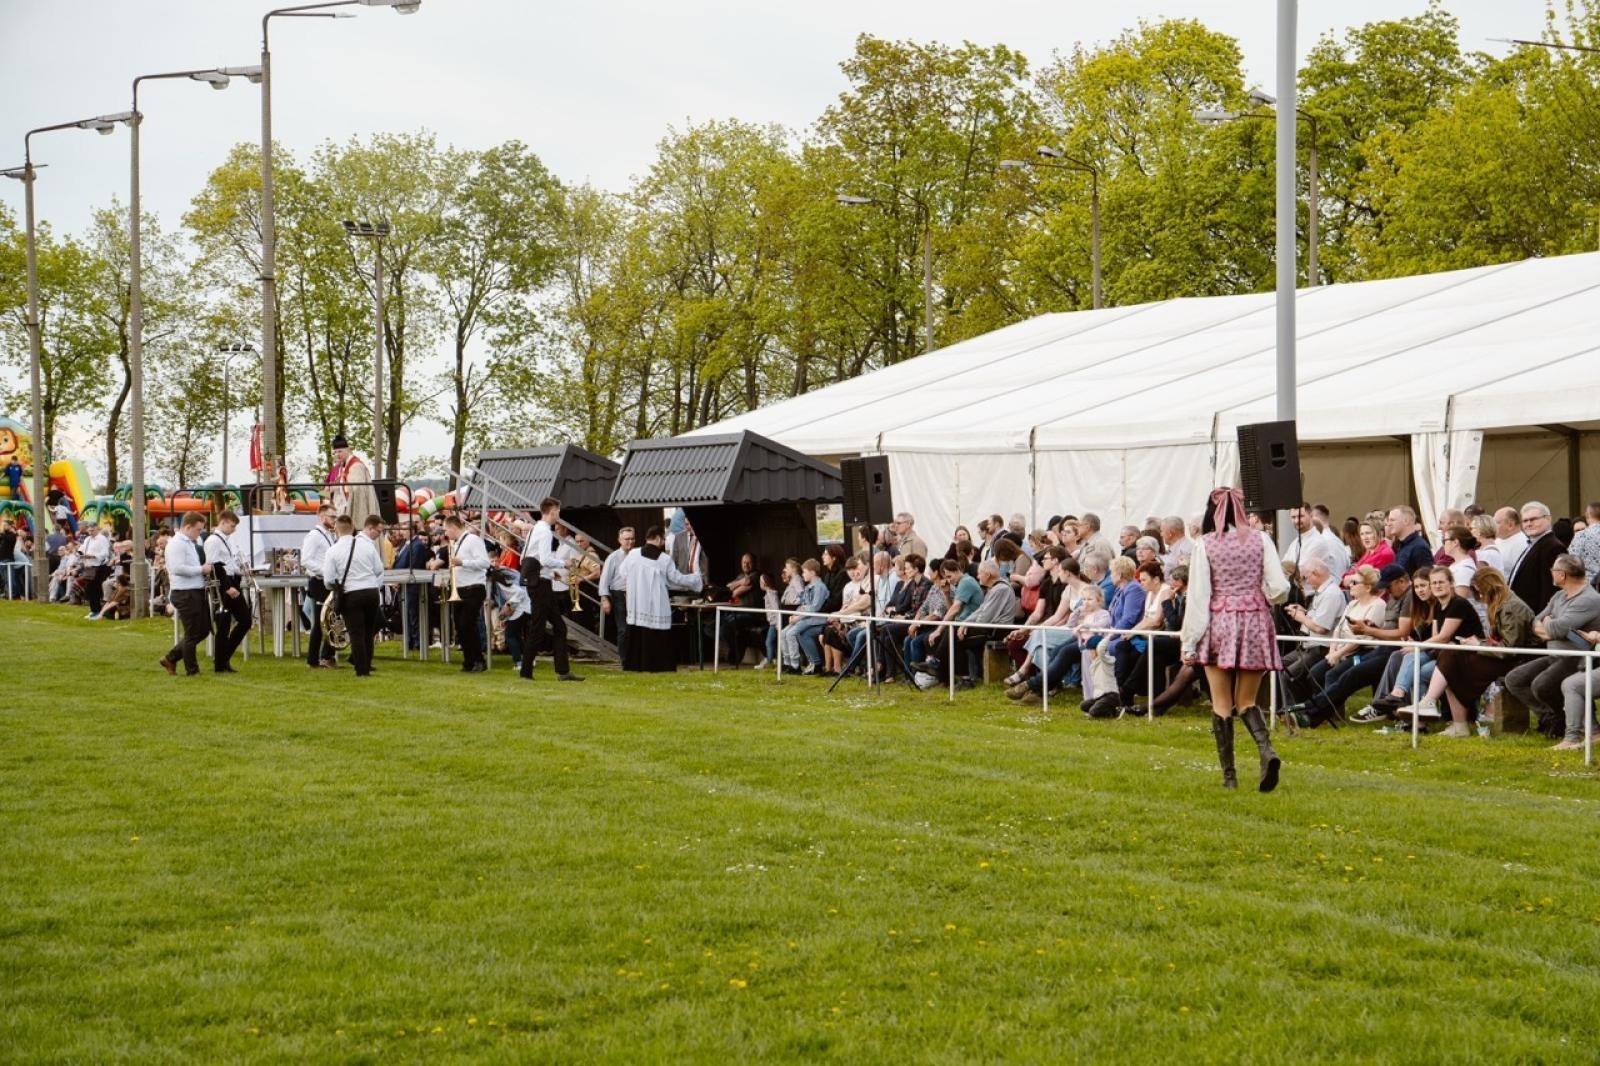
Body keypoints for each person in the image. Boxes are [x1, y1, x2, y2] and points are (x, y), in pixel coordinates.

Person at [1181, 486, 1290, 791]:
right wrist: (1260, 597)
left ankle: (1230, 777)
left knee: (1221, 703)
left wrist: (1189, 642)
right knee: (1247, 701)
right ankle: (1266, 751)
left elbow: (1199, 596)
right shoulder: (1261, 539)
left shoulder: (1205, 544)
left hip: (1219, 622)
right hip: (1255, 620)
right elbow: (1280, 587)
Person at [1416, 567, 1535, 736]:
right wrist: (1478, 643)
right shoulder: (1502, 603)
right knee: (1449, 658)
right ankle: (1449, 718)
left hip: (1516, 660)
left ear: (1489, 587)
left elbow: (1509, 649)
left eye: (1479, 592)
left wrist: (1478, 643)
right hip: (1503, 657)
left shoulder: (1511, 607)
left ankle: (1439, 709)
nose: (1479, 597)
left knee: (1450, 661)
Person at [1503, 554, 1600, 738]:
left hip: (1577, 658)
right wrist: (1550, 628)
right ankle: (1554, 717)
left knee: (1542, 685)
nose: (1551, 573)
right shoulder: (1559, 595)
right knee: (1514, 679)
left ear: (1562, 575)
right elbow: (1535, 622)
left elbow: (1555, 628)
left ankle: (1569, 722)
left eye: (1553, 570)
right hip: (1555, 654)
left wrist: (1550, 625)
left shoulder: (1588, 599)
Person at [622, 524, 705, 672]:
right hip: (655, 604)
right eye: (664, 539)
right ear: (659, 538)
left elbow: (623, 572)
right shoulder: (664, 559)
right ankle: (659, 665)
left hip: (637, 603)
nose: (664, 542)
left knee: (638, 633)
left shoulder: (633, 554)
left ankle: (635, 665)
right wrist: (695, 579)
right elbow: (676, 579)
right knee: (657, 635)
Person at [519, 497, 582, 682]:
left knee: (558, 627)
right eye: (558, 512)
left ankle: (562, 671)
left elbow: (527, 557)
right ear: (552, 511)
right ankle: (527, 671)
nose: (558, 516)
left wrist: (548, 572)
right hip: (541, 586)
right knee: (539, 628)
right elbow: (545, 559)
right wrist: (564, 563)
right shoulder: (545, 532)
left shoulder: (535, 529)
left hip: (539, 582)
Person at [323, 514, 384, 677]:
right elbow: (378, 569)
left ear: (336, 530)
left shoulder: (332, 551)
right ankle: (367, 665)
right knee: (368, 632)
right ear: (353, 528)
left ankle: (361, 669)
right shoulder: (367, 545)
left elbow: (328, 580)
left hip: (351, 593)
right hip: (371, 591)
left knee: (356, 633)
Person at [159, 513, 213, 677]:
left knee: (203, 630)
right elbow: (177, 568)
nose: (200, 533)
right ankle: (192, 670)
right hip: (185, 592)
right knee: (192, 633)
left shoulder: (188, 543)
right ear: (188, 527)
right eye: (198, 529)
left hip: (194, 590)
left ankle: (171, 658)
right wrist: (201, 569)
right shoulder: (176, 544)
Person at [204, 510, 251, 673]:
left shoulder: (227, 540)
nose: (234, 529)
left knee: (244, 621)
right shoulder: (213, 541)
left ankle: (223, 658)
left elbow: (229, 563)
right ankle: (221, 662)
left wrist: (242, 570)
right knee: (224, 625)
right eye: (232, 526)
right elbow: (214, 566)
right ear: (223, 522)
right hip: (223, 584)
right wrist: (226, 587)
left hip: (231, 580)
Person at [445, 514, 490, 673]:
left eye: (446, 530)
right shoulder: (457, 543)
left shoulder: (472, 540)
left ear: (453, 527)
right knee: (460, 626)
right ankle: (468, 661)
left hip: (473, 587)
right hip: (461, 588)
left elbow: (485, 562)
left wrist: (462, 562)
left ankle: (479, 660)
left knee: (467, 624)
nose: (446, 534)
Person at [1506, 501, 1566, 613]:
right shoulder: (1533, 544)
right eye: (1525, 521)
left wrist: (1543, 618)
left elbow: (1551, 589)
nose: (1529, 524)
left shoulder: (1553, 547)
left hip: (1535, 616)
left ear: (1548, 519)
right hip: (1523, 614)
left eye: (1533, 519)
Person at [300, 504, 340, 669]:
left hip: (327, 581)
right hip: (319, 582)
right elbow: (306, 560)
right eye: (332, 517)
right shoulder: (314, 536)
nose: (335, 520)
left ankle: (325, 656)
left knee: (330, 620)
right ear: (322, 517)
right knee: (320, 622)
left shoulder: (329, 535)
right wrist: (326, 571)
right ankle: (316, 658)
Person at [598, 526, 636, 663]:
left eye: (632, 539)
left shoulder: (638, 555)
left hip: (636, 594)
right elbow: (604, 579)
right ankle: (624, 659)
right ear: (620, 540)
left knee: (635, 627)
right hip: (619, 594)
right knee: (623, 628)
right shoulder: (613, 557)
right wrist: (604, 599)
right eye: (627, 539)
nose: (630, 542)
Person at [326, 433, 379, 527]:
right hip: (336, 507)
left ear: (348, 449)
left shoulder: (356, 466)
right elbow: (324, 491)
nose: (337, 455)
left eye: (340, 451)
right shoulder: (335, 470)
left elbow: (356, 489)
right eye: (335, 452)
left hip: (349, 506)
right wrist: (328, 496)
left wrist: (341, 481)